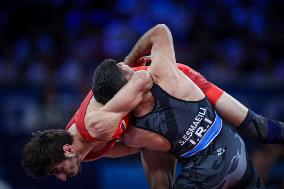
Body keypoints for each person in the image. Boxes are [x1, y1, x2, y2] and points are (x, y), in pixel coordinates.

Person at [21, 24, 284, 188]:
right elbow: (143, 145)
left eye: (57, 170)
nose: (62, 177)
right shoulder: (86, 151)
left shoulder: (95, 125)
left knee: (260, 129)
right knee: (149, 145)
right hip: (151, 109)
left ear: (67, 149)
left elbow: (144, 78)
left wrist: (130, 62)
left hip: (170, 79)